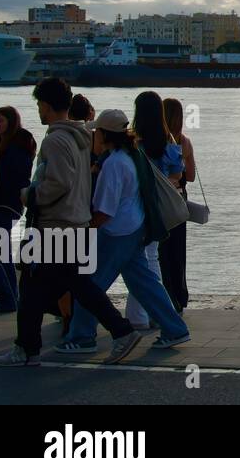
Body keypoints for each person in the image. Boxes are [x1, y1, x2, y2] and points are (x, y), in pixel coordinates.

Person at [0, 78, 139, 367]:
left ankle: (29, 349)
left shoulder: (55, 140)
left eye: (39, 104)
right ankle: (29, 348)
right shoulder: (81, 139)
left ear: (46, 106)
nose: (38, 109)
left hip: (54, 227)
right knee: (65, 286)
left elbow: (57, 182)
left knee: (39, 289)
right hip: (76, 224)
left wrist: (29, 194)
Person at [55, 110, 190, 353]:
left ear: (105, 135)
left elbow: (105, 210)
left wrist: (88, 229)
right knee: (145, 283)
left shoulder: (114, 164)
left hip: (117, 233)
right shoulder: (131, 155)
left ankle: (82, 336)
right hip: (135, 228)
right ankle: (175, 329)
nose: (94, 136)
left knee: (90, 285)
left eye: (96, 132)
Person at [127, 91, 183, 329]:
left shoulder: (133, 143)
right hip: (159, 208)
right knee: (151, 257)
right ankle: (149, 313)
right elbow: (178, 175)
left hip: (135, 206)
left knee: (139, 260)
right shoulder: (169, 142)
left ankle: (142, 315)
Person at [0, 107, 37, 313]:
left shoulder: (17, 146)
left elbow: (14, 177)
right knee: (1, 253)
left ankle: (6, 297)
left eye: (0, 120)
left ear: (11, 122)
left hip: (6, 204)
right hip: (6, 204)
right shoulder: (2, 143)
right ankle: (11, 297)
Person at [160, 97, 193, 312]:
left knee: (160, 252)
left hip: (159, 202)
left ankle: (165, 295)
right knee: (178, 252)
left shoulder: (153, 141)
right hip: (179, 201)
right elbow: (189, 175)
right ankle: (180, 296)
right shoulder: (183, 141)